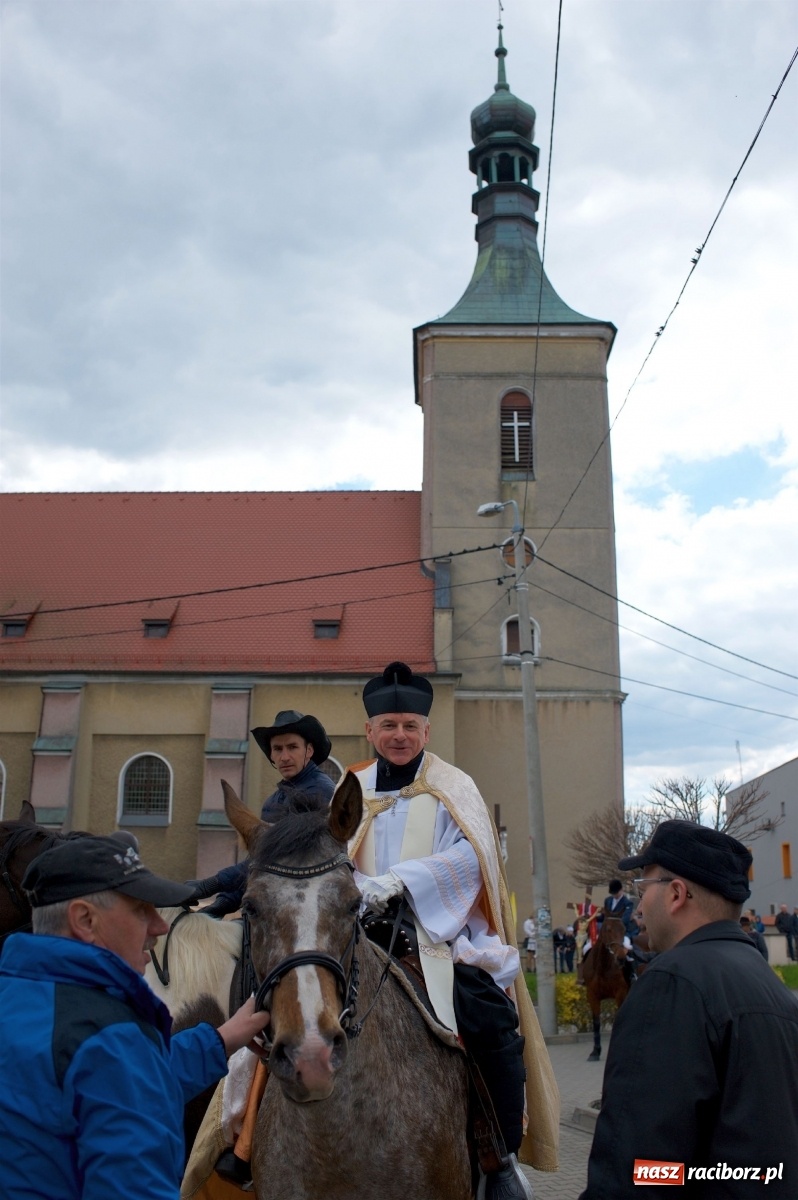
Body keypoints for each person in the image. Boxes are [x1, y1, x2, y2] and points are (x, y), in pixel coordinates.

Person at [344, 661, 559, 1199]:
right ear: (370, 731)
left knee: (485, 1015)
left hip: (433, 936)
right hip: (352, 928)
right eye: (388, 726)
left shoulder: (452, 786)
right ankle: (246, 1138)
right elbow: (329, 850)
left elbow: (473, 859)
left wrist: (399, 881)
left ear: (426, 732)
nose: (399, 736)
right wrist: (352, 889)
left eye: (409, 727)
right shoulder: (349, 786)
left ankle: (498, 1156)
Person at [0, 834, 269, 1200]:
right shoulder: (107, 1038)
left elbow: (126, 1078)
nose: (158, 927)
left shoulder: (20, 997)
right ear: (85, 919)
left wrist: (223, 1038)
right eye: (141, 909)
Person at [580, 820, 798, 1199]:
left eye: (644, 888)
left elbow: (637, 1170)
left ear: (676, 894)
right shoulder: (772, 986)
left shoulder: (672, 984)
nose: (640, 905)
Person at [186, 710, 334, 916]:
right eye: (277, 749)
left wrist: (208, 886)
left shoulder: (320, 790)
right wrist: (222, 905)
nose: (284, 757)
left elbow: (280, 857)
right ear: (271, 755)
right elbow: (259, 863)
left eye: (292, 747)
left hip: (306, 910)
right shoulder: (273, 800)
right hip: (275, 900)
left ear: (309, 750)